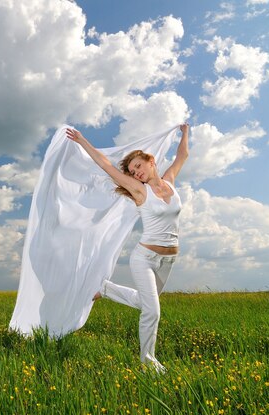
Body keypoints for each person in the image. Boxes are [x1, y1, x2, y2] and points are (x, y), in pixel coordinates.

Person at [65, 123, 189, 373]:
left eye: (139, 166)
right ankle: (148, 362)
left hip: (168, 261)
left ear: (150, 161)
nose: (136, 173)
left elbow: (182, 155)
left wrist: (185, 132)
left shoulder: (170, 181)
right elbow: (106, 165)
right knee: (152, 312)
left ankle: (105, 289)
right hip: (145, 258)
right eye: (133, 171)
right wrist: (82, 140)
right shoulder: (139, 190)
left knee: (145, 303)